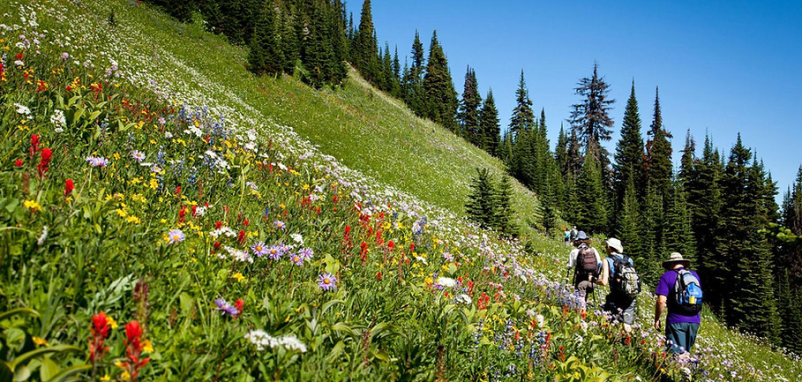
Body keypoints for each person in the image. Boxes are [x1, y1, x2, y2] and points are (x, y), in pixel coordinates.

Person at [654, 252, 702, 358]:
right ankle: (688, 371)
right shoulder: (694, 275)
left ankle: (681, 373)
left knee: (677, 354)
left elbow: (661, 301)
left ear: (671, 264)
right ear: (683, 264)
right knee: (686, 352)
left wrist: (657, 319)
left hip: (676, 320)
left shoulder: (667, 276)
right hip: (694, 320)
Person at [594, 237, 638, 333]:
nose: (605, 248)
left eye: (606, 246)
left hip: (616, 295)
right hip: (631, 294)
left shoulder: (607, 260)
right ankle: (629, 343)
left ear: (609, 247)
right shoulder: (629, 259)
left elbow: (604, 282)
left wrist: (594, 281)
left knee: (611, 319)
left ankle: (611, 339)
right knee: (626, 323)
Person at [566, 231, 602, 304]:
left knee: (580, 296)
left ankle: (581, 311)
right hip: (593, 280)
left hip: (581, 279)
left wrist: (568, 267)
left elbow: (570, 265)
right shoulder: (593, 250)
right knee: (585, 293)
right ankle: (585, 305)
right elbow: (599, 263)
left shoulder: (575, 251)